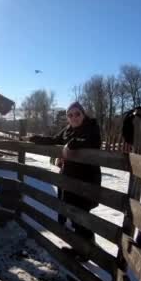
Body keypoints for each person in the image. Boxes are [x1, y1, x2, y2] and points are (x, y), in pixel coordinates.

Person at [28, 102, 102, 257]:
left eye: (77, 114)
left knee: (82, 215)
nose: (74, 117)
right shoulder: (68, 130)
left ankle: (86, 251)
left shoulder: (92, 128)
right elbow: (54, 139)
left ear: (83, 114)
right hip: (70, 179)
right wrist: (36, 139)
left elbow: (92, 142)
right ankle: (83, 247)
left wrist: (72, 144)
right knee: (75, 216)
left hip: (86, 180)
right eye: (70, 115)